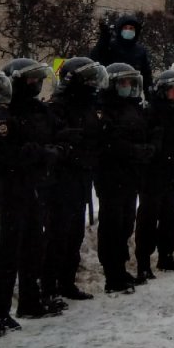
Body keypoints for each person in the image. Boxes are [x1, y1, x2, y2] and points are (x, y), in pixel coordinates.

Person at [0, 59, 64, 329]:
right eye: (29, 80)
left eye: (37, 79)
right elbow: (8, 153)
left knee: (34, 245)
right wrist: (40, 153)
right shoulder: (3, 114)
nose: (34, 84)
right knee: (9, 249)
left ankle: (30, 301)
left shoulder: (38, 110)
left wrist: (52, 151)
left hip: (35, 185)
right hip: (12, 188)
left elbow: (53, 136)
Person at [45, 58, 107, 301]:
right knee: (57, 235)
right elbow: (54, 140)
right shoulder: (58, 106)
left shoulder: (88, 107)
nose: (94, 85)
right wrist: (70, 143)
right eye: (89, 79)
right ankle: (49, 286)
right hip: (62, 179)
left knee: (74, 235)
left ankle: (66, 282)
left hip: (82, 176)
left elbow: (95, 137)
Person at [96, 62, 156, 292]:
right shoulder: (105, 108)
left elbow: (144, 131)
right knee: (112, 225)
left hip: (131, 175)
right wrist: (133, 150)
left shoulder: (133, 107)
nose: (128, 86)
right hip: (111, 175)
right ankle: (112, 274)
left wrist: (148, 147)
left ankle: (120, 268)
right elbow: (109, 141)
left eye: (131, 82)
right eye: (123, 82)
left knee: (125, 224)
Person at [138, 68, 174, 276]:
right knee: (148, 218)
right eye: (172, 90)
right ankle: (143, 261)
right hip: (154, 173)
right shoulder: (152, 111)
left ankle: (166, 256)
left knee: (169, 216)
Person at [89, 13, 154, 99]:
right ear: (120, 30)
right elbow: (95, 58)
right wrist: (104, 39)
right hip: (109, 95)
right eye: (125, 28)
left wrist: (150, 98)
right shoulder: (110, 46)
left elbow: (147, 76)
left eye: (131, 28)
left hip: (132, 95)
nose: (128, 30)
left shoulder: (140, 51)